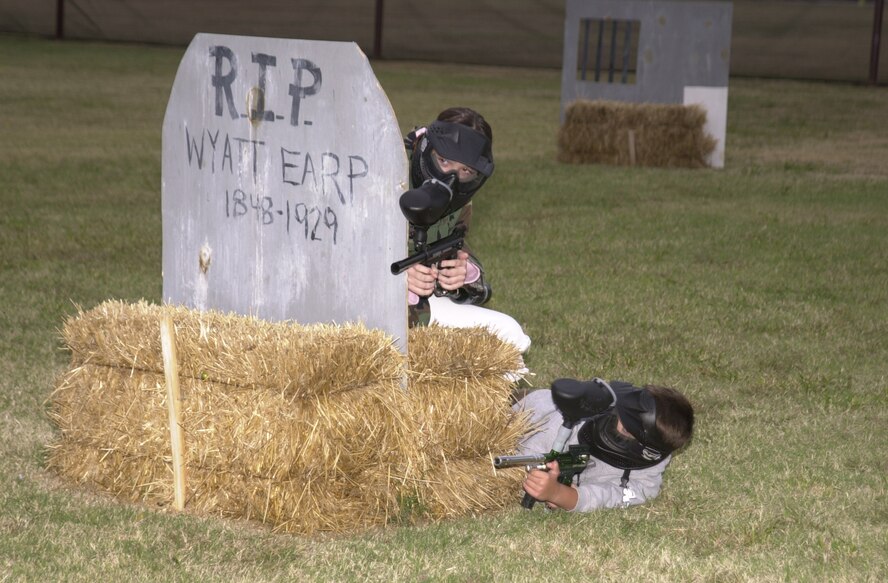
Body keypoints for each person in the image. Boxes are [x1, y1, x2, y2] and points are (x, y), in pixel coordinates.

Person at [401, 107, 531, 355]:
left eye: (465, 171)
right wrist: (395, 280)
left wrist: (466, 274)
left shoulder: (459, 203)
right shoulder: (386, 178)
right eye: (444, 161)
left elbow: (456, 248)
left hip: (420, 313)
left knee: (511, 337)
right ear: (426, 147)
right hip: (366, 313)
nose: (451, 177)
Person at [512, 378, 695, 511]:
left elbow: (610, 497)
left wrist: (559, 495)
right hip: (525, 407)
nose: (616, 419)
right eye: (620, 412)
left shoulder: (645, 482)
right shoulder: (570, 424)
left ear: (642, 449)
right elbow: (517, 457)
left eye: (626, 428)